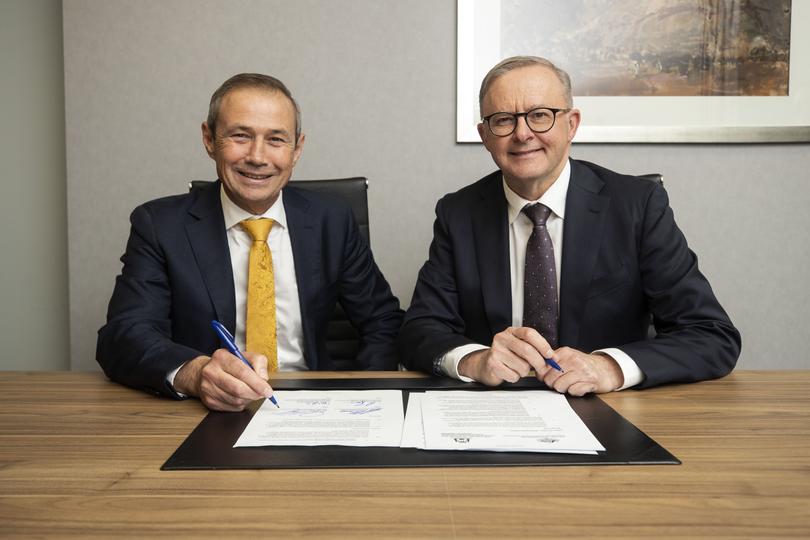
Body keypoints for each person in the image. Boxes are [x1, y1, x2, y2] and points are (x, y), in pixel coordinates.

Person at [399, 56, 740, 394]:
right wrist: (475, 360)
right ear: (485, 136)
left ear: (572, 124)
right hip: (497, 412)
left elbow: (710, 334)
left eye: (539, 116)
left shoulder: (637, 205)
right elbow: (419, 330)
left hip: (610, 410)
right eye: (503, 120)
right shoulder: (458, 213)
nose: (522, 134)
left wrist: (608, 367)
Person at [97, 73, 403, 411]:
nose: (257, 156)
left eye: (276, 139)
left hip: (316, 407)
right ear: (209, 139)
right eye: (241, 136)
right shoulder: (160, 225)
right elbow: (123, 336)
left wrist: (367, 396)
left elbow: (382, 320)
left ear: (297, 149)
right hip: (208, 410)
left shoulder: (332, 219)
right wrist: (197, 373)